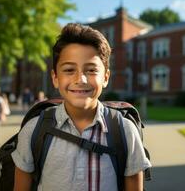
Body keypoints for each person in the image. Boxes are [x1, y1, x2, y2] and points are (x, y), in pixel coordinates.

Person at [11, 23, 151, 191]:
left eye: (91, 70)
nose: (81, 79)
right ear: (55, 78)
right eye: (69, 70)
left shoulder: (125, 130)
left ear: (106, 78)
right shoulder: (34, 130)